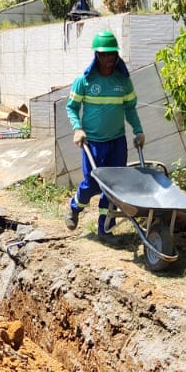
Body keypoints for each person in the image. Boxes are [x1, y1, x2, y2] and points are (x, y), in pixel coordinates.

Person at [64, 30, 144, 236]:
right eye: (104, 54)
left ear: (117, 55)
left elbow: (130, 108)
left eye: (112, 54)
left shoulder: (123, 81)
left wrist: (138, 130)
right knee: (91, 184)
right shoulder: (85, 81)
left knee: (113, 185)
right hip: (93, 143)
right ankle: (75, 207)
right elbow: (71, 107)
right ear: (97, 55)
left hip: (117, 141)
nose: (108, 58)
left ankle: (105, 229)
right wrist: (77, 129)